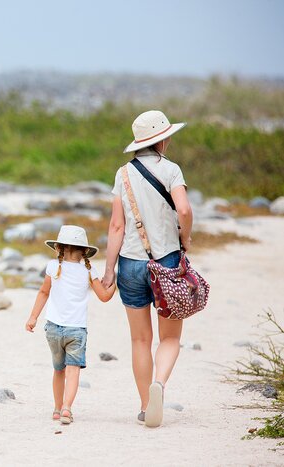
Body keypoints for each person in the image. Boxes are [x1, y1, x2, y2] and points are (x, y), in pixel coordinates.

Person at [101, 110, 193, 428]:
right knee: (169, 339)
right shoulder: (171, 170)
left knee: (140, 340)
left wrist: (109, 270)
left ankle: (144, 405)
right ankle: (160, 385)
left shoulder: (122, 174)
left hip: (130, 263)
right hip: (166, 262)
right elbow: (183, 208)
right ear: (163, 140)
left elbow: (116, 226)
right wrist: (185, 237)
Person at [25, 225, 115, 424]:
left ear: (59, 248)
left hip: (54, 328)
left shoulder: (52, 267)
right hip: (77, 330)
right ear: (84, 250)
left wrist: (33, 318)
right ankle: (67, 408)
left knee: (58, 370)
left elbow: (43, 293)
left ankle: (57, 408)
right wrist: (114, 284)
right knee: (73, 370)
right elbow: (104, 297)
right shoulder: (89, 271)